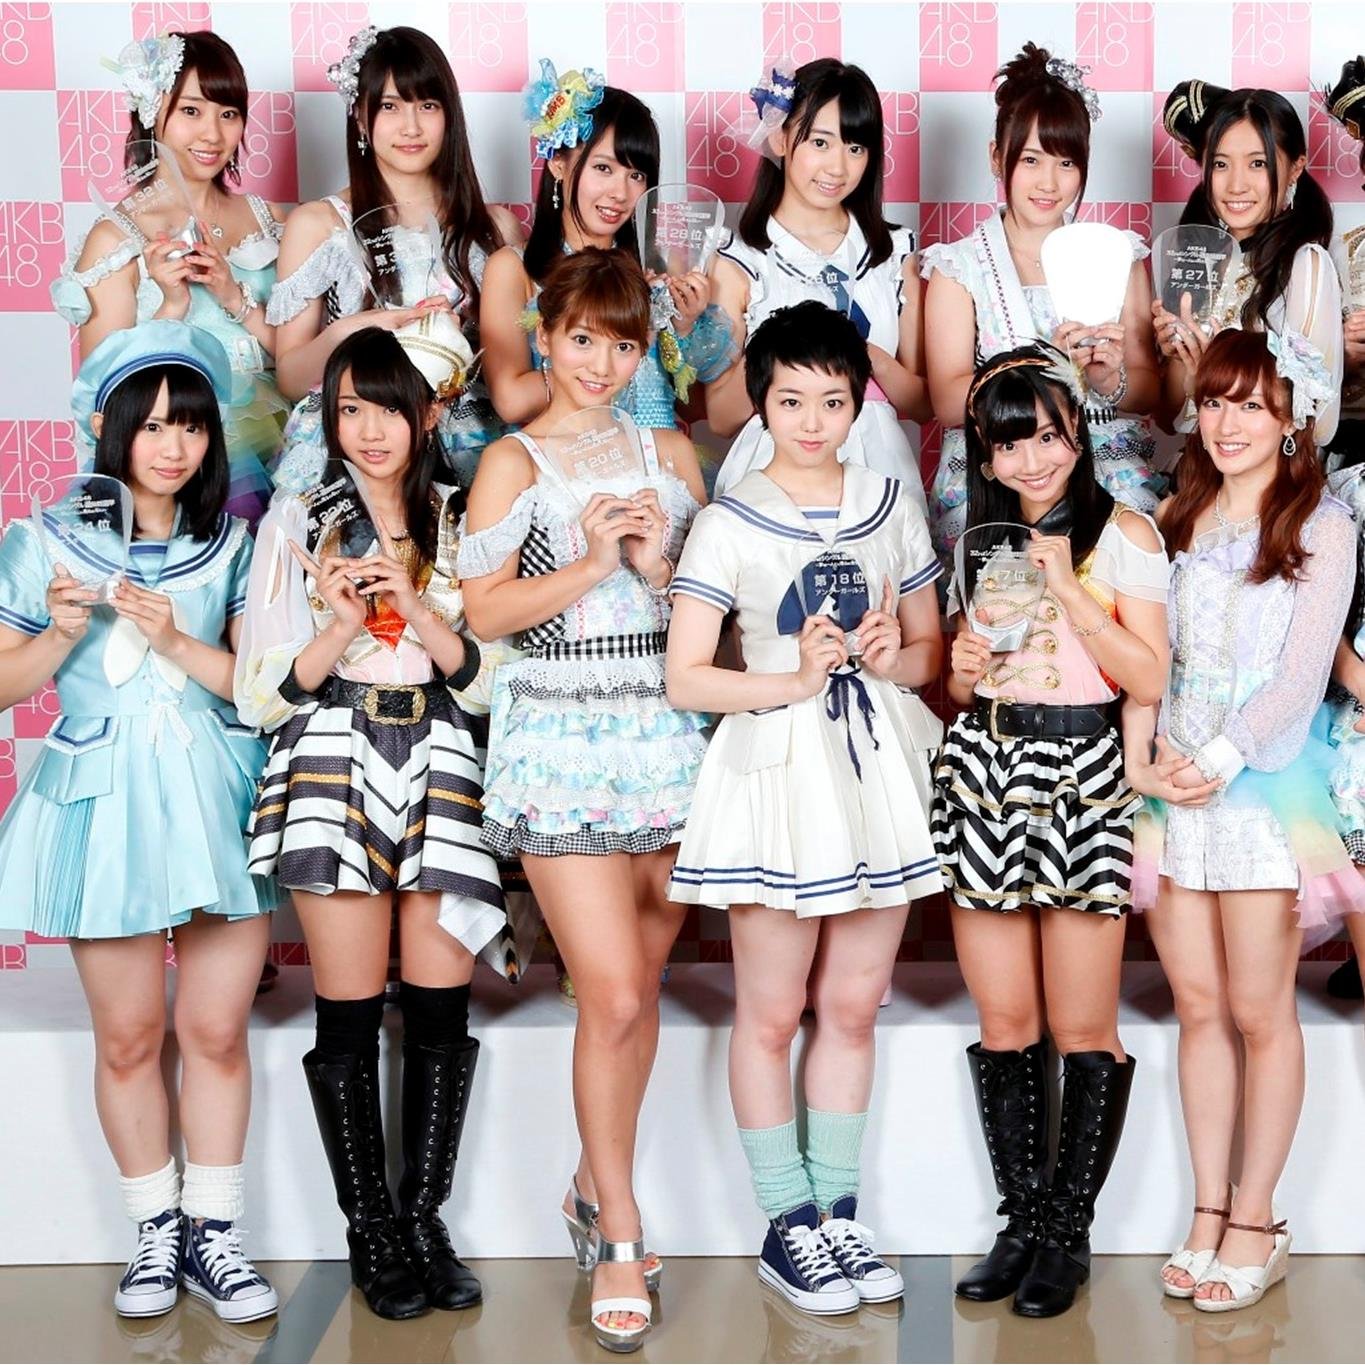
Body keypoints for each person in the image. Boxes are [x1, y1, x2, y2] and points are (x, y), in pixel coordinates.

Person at [667, 300, 943, 1314]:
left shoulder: (887, 501)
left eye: (832, 400)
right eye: (790, 401)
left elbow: (927, 653)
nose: (812, 421)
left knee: (851, 1007)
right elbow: (687, 676)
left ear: (859, 401)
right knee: (773, 1012)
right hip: (778, 767)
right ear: (760, 404)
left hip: (876, 768)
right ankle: (785, 1222)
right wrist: (790, 677)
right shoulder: (728, 520)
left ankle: (838, 1212)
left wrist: (890, 654)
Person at [0, 321, 277, 1322]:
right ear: (106, 429)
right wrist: (61, 633)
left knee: (214, 1031)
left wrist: (175, 641)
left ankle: (215, 1233)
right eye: (152, 424)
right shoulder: (40, 542)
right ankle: (154, 1229)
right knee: (127, 1038)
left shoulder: (234, 545)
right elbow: (5, 683)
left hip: (214, 795)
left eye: (191, 425)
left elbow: (260, 689)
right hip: (101, 801)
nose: (173, 445)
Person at [459, 247, 708, 1353]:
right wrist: (595, 561)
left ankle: (585, 1183)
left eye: (622, 343)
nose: (602, 363)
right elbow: (483, 613)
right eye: (581, 340)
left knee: (639, 988)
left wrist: (655, 569)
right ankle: (620, 1230)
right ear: (545, 338)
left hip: (669, 739)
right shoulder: (510, 462)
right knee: (607, 992)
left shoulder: (671, 452)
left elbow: (709, 608)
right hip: (559, 739)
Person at [234, 318, 504, 1321]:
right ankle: (372, 1233)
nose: (371, 428)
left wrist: (421, 612)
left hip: (442, 757)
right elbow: (260, 694)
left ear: (427, 415)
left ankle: (423, 1220)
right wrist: (342, 622)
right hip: (332, 755)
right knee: (347, 1014)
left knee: (439, 1010)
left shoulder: (463, 516)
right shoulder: (298, 521)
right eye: (350, 408)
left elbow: (491, 684)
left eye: (389, 406)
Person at [933, 344, 1171, 1318]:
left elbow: (1147, 677)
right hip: (987, 772)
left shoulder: (1127, 535)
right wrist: (960, 667)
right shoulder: (979, 541)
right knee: (1005, 1024)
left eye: (1045, 436)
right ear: (984, 457)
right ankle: (1022, 1222)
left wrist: (1070, 589)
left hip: (1081, 776)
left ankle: (1067, 1234)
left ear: (1077, 430)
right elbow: (968, 683)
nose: (1029, 459)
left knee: (1082, 1028)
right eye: (1007, 445)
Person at [1128, 328, 1360, 1311]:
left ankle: (1258, 1219)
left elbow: (1302, 677)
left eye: (1253, 406)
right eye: (1216, 401)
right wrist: (1154, 761)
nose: (1228, 423)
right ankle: (1207, 1211)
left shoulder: (1322, 525)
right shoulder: (1174, 515)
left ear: (1291, 420)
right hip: (1172, 788)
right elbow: (1150, 659)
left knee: (1262, 1012)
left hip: (1262, 787)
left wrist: (1217, 761)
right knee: (1201, 1010)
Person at [924, 44, 1162, 563]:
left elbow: (1150, 389)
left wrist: (1107, 380)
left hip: (1103, 460)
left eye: (1066, 162)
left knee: (1126, 551)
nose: (1049, 183)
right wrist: (1046, 368)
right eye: (1030, 160)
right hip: (1000, 469)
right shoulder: (959, 267)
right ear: (997, 157)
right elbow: (944, 400)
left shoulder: (1116, 256)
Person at [268, 25, 523, 495]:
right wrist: (365, 328)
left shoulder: (496, 229)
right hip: (359, 441)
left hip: (471, 441)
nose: (411, 127)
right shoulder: (320, 223)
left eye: (427, 105)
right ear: (361, 118)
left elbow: (513, 366)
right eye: (389, 106)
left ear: (449, 115)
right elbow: (290, 377)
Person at [51, 30, 288, 527]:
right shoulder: (117, 237)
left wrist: (234, 296)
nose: (212, 134)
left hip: (287, 445)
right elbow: (102, 394)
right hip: (179, 460)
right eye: (191, 111)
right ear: (152, 111)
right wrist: (170, 306)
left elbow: (299, 355)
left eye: (228, 114)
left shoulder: (272, 220)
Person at [708, 58, 931, 501]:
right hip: (773, 471)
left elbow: (923, 404)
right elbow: (720, 416)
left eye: (855, 148)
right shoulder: (740, 260)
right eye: (820, 142)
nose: (837, 167)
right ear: (780, 136)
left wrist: (863, 355)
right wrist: (783, 350)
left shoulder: (893, 254)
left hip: (878, 467)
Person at [480, 59, 733, 438]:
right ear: (558, 163)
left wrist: (683, 327)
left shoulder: (659, 269)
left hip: (658, 458)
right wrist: (609, 355)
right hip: (573, 459)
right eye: (603, 168)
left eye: (636, 175)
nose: (620, 192)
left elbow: (693, 407)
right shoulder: (515, 268)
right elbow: (510, 400)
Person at [1152, 85, 1342, 446]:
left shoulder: (1306, 265)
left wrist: (1216, 372)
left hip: (1268, 477)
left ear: (1295, 168)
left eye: (1258, 163)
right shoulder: (1196, 258)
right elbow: (1169, 421)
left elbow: (1316, 423)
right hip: (1193, 470)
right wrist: (1178, 357)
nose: (1236, 185)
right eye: (1220, 164)